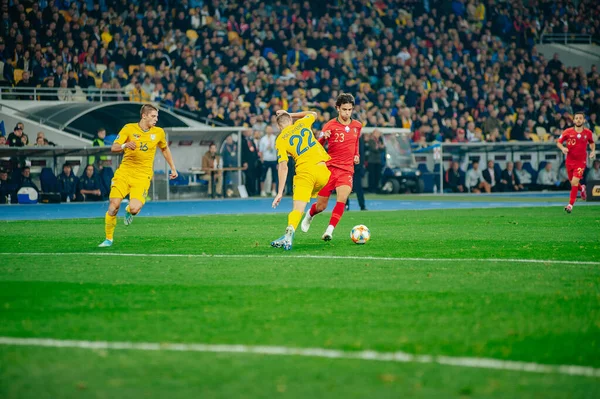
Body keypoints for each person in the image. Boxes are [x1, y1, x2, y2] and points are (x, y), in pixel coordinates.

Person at [99, 104, 178, 247]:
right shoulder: (128, 128)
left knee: (135, 209)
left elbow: (165, 149)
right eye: (153, 116)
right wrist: (125, 145)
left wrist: (173, 168)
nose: (156, 119)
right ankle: (108, 239)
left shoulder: (159, 132)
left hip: (142, 176)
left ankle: (129, 211)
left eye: (157, 117)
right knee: (113, 206)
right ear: (144, 116)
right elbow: (114, 147)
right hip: (124, 172)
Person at [300, 93, 362, 241]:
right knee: (321, 206)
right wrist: (323, 137)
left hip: (347, 170)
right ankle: (310, 214)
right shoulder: (329, 125)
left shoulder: (357, 126)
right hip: (329, 169)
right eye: (344, 109)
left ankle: (329, 230)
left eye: (349, 109)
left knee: (342, 199)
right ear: (337, 108)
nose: (347, 113)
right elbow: (317, 147)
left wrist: (356, 155)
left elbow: (355, 143)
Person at [270, 110, 331, 250]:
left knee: (297, 209)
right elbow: (314, 113)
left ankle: (289, 231)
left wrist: (280, 192)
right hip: (323, 172)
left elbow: (283, 166)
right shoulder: (302, 122)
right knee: (315, 200)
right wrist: (291, 113)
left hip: (305, 173)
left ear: (279, 127)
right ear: (290, 121)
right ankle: (289, 233)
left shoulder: (280, 139)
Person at [557, 111, 596, 213]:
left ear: (583, 120)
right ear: (573, 120)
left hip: (580, 162)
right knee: (573, 183)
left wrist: (592, 151)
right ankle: (582, 188)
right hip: (569, 161)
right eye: (577, 118)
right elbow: (559, 142)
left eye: (580, 118)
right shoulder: (567, 132)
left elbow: (592, 142)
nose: (578, 120)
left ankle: (570, 205)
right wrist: (562, 148)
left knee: (574, 182)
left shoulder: (588, 133)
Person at [259, 126, 278, 197]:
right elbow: (260, 150)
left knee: (274, 176)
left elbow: (278, 150)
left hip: (273, 159)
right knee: (263, 175)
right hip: (266, 159)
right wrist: (262, 159)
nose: (269, 130)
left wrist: (278, 161)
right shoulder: (263, 139)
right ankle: (262, 191)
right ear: (266, 130)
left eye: (270, 129)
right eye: (268, 129)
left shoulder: (275, 138)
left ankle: (273, 190)